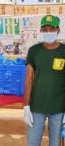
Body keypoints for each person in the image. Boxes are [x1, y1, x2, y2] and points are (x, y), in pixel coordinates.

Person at [23, 14, 65, 146]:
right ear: (41, 31)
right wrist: (26, 106)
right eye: (45, 30)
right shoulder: (34, 51)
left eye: (51, 29)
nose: (48, 32)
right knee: (33, 142)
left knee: (55, 143)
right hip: (37, 106)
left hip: (59, 107)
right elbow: (29, 79)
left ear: (57, 30)